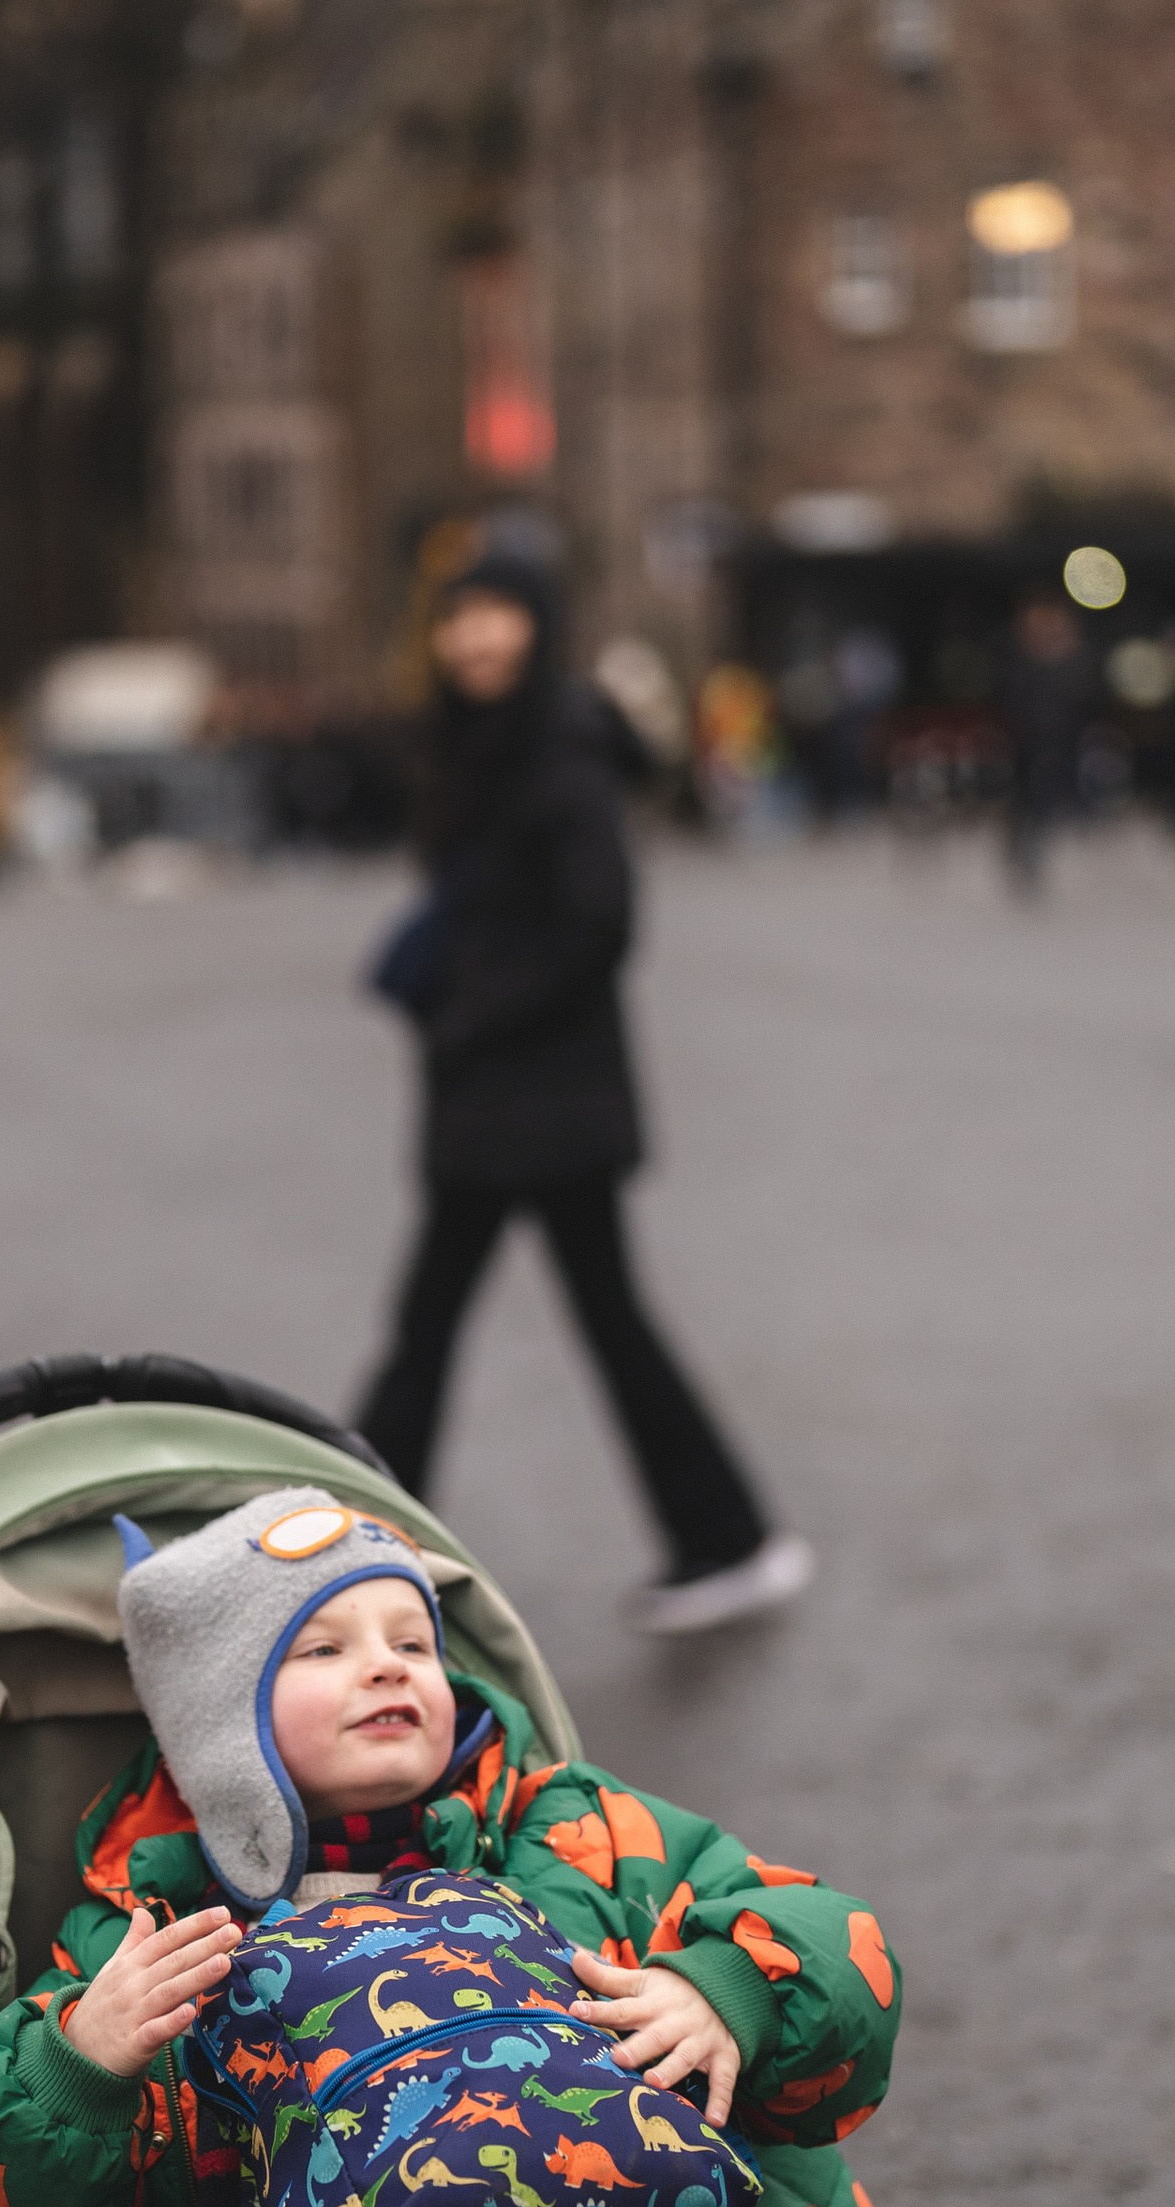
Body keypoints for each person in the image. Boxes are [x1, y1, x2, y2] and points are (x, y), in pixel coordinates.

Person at [0, 1491, 981, 2207]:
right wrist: (85, 2062)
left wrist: (726, 1988)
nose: (388, 1664)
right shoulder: (165, 1931)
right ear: (216, 1723)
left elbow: (826, 1937)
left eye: (412, 1638)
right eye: (321, 1649)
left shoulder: (576, 1841)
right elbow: (0, 2198)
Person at [353, 554, 809, 1635]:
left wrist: (473, 1010)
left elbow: (599, 921)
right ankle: (728, 1535)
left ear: (541, 626)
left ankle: (346, 1550)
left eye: (496, 617)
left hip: (542, 1101)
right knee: (494, 1321)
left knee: (450, 1323)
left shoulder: (558, 748)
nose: (473, 640)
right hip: (503, 1099)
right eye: (457, 619)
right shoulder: (477, 743)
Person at [996, 592, 1094, 893]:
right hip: (1024, 748)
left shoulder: (1075, 660)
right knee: (1025, 806)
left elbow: (1087, 700)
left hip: (1065, 747)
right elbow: (1008, 701)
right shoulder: (1014, 658)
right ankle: (1024, 859)